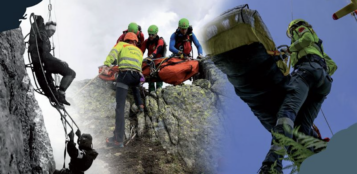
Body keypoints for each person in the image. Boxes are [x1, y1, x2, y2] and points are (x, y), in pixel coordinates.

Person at [259, 19, 337, 173]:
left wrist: (289, 50)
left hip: (306, 70)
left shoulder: (300, 30)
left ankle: (273, 166)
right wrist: (320, 70)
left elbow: (305, 39)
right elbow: (333, 65)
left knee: (287, 112)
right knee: (301, 129)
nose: (291, 35)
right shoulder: (319, 48)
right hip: (323, 82)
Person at [103, 32, 144, 147]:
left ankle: (118, 140)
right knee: (135, 88)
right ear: (135, 41)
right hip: (136, 77)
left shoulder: (121, 45)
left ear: (126, 40)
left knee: (120, 108)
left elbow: (113, 54)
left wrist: (106, 65)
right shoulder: (139, 51)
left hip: (125, 76)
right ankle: (140, 105)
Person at [28, 15, 76, 106]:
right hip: (45, 62)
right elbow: (45, 54)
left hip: (42, 62)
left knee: (67, 73)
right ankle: (61, 94)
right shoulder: (43, 36)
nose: (52, 33)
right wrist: (59, 61)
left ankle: (58, 95)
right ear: (47, 28)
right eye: (52, 31)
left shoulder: (41, 35)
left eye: (54, 32)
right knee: (71, 73)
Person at [140, 24, 165, 92]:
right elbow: (141, 51)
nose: (150, 36)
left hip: (159, 62)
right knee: (150, 77)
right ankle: (151, 92)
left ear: (156, 34)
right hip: (150, 62)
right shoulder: (147, 41)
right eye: (149, 34)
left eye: (152, 35)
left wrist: (152, 55)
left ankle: (159, 91)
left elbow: (159, 48)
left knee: (159, 77)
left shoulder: (160, 40)